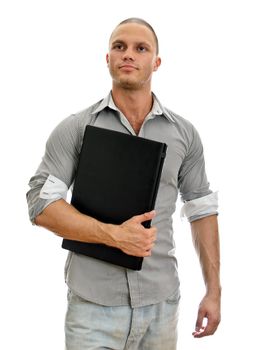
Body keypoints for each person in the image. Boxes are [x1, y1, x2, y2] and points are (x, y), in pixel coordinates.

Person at [26, 17, 221, 350]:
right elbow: (41, 206)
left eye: (140, 48)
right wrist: (115, 236)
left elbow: (201, 209)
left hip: (162, 306)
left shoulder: (184, 135)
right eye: (119, 46)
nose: (128, 54)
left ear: (156, 62)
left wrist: (213, 291)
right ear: (108, 58)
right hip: (92, 309)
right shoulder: (75, 129)